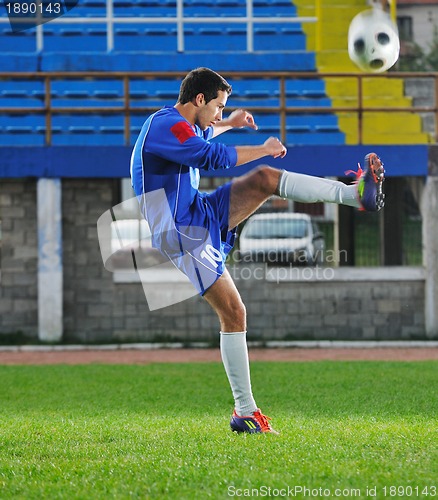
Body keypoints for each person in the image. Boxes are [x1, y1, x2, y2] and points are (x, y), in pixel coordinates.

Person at [130, 67, 385, 434]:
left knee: (266, 178)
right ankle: (245, 412)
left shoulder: (179, 123)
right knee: (234, 312)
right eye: (218, 105)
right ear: (199, 99)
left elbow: (201, 133)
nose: (219, 112)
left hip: (197, 211)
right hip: (182, 232)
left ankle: (356, 195)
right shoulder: (164, 126)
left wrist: (229, 122)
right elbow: (206, 156)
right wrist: (261, 147)